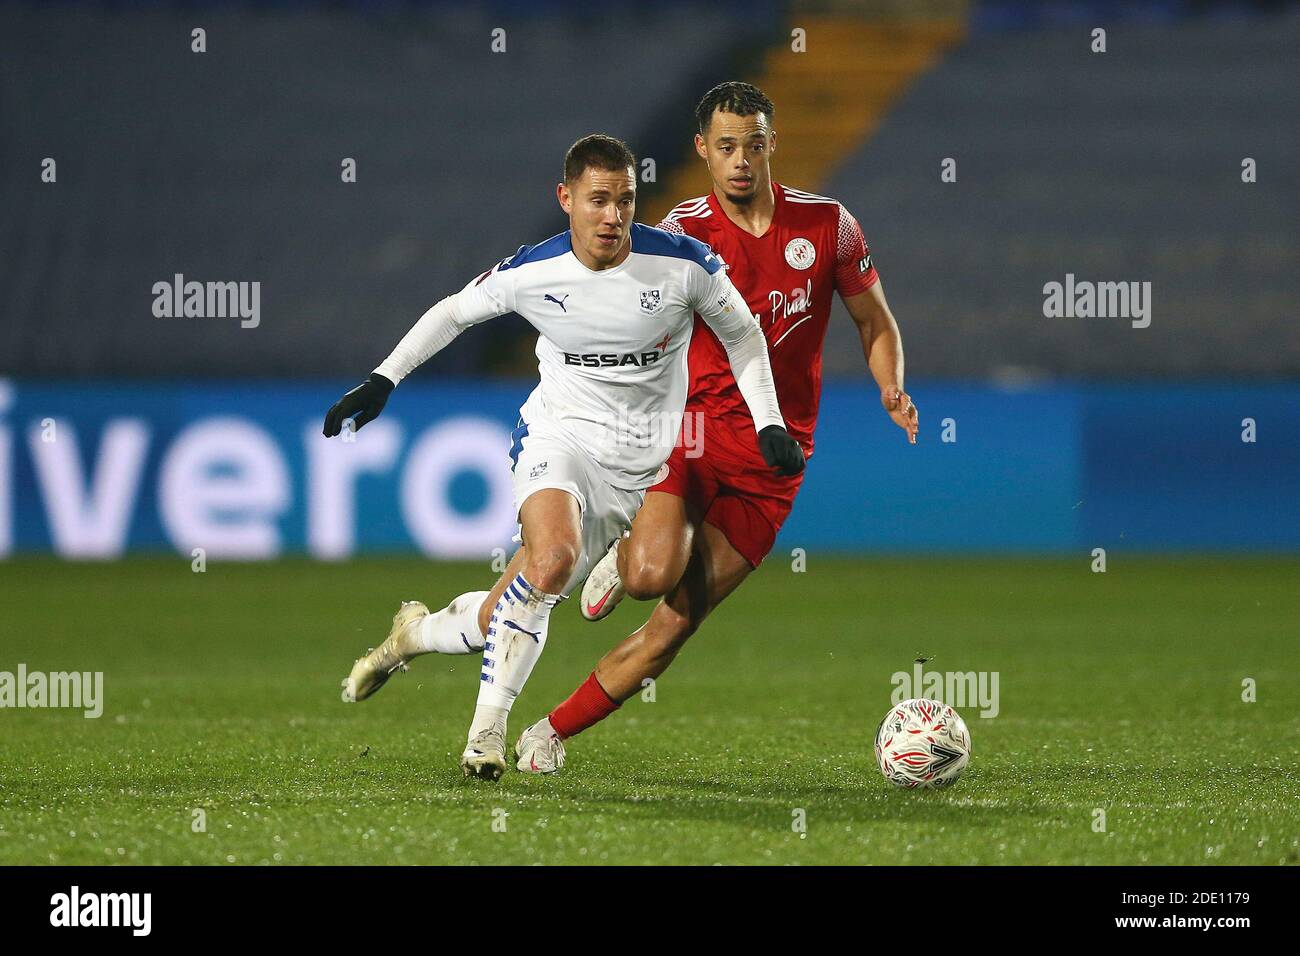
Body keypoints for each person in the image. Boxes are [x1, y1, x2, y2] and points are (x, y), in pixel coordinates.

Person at [322, 132, 802, 780]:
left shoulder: (684, 264)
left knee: (496, 618)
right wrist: (384, 379)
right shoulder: (534, 271)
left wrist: (768, 421)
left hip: (633, 472)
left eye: (625, 200)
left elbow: (743, 337)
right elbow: (454, 313)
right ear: (566, 199)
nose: (613, 216)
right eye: (598, 200)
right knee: (550, 560)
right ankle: (485, 736)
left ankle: (413, 636)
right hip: (558, 437)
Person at [512, 83, 917, 774]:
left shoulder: (830, 226)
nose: (740, 160)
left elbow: (874, 321)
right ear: (703, 149)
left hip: (776, 460)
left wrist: (890, 385)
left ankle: (548, 734)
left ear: (771, 144)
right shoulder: (683, 231)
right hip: (690, 433)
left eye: (753, 145)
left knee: (677, 622)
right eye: (726, 147)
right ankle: (629, 553)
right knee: (649, 576)